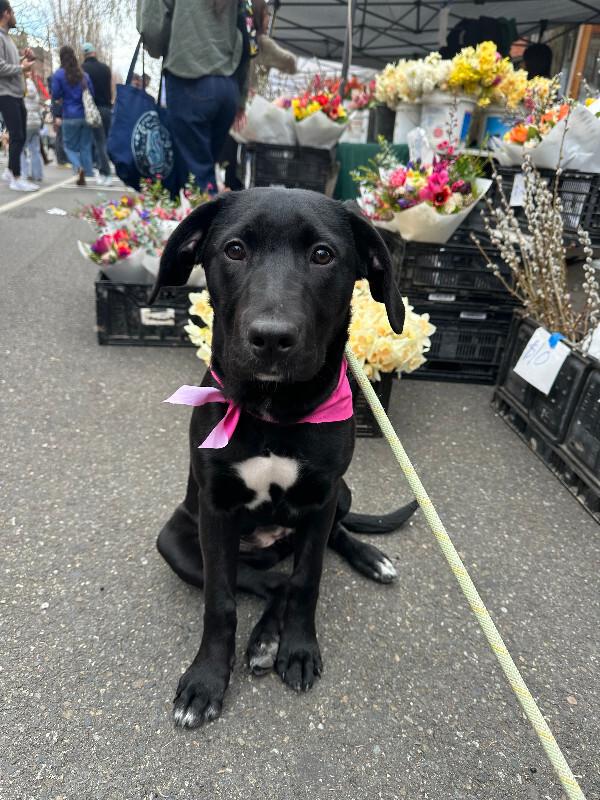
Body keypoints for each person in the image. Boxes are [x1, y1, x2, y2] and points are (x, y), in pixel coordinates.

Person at [137, 0, 245, 192]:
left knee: (194, 180)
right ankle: (210, 211)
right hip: (227, 83)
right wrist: (241, 96)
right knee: (204, 174)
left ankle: (201, 216)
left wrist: (160, 46)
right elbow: (245, 33)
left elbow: (152, 27)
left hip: (188, 75)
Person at [0, 0, 38, 191]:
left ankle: (9, 171)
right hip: (5, 94)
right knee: (17, 135)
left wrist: (24, 58)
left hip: (16, 94)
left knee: (20, 135)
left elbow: (10, 64)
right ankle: (16, 177)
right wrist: (21, 67)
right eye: (12, 12)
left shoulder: (8, 38)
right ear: (6, 13)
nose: (14, 16)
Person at [51, 45, 94, 186]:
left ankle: (78, 166)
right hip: (86, 116)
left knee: (68, 146)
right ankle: (88, 174)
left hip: (69, 115)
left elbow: (56, 95)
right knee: (85, 146)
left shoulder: (58, 75)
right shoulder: (84, 75)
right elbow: (91, 94)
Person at [82, 41, 112, 185]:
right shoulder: (106, 69)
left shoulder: (82, 70)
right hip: (106, 108)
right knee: (103, 141)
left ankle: (104, 171)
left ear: (84, 54)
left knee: (94, 142)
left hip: (92, 109)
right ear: (94, 52)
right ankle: (103, 168)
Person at [20, 74, 43, 182]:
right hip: (36, 122)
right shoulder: (34, 87)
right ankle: (37, 175)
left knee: (20, 149)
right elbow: (38, 106)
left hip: (25, 122)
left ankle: (23, 174)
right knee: (35, 149)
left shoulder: (21, 86)